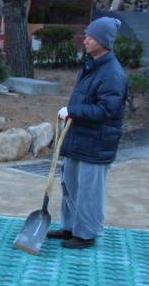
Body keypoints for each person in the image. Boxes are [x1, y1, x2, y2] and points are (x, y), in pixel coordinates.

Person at [47, 17, 129, 250]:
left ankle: (86, 234)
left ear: (103, 41)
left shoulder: (112, 73)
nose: (85, 41)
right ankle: (71, 227)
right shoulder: (92, 66)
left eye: (90, 38)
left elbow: (106, 110)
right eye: (86, 36)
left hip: (96, 142)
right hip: (79, 136)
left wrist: (72, 111)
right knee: (70, 184)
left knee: (88, 192)